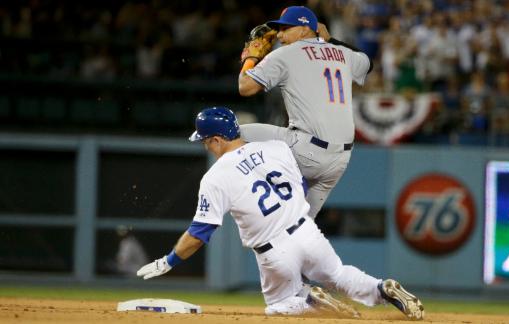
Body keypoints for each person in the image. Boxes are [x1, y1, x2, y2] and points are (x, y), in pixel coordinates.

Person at [136, 107, 424, 320]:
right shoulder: (276, 147)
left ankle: (309, 300)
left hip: (273, 250)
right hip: (306, 230)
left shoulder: (215, 177)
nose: (205, 146)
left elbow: (200, 233)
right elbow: (299, 185)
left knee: (278, 306)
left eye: (205, 140)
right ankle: (381, 288)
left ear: (217, 139)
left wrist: (169, 260)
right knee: (339, 274)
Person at [237, 6, 372, 219]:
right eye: (278, 30)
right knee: (299, 229)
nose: (279, 35)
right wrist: (331, 41)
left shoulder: (285, 54)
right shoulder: (343, 54)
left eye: (285, 29)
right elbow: (367, 63)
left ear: (303, 29)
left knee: (230, 132)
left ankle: (239, 192)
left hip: (306, 151)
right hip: (339, 161)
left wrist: (250, 58)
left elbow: (245, 87)